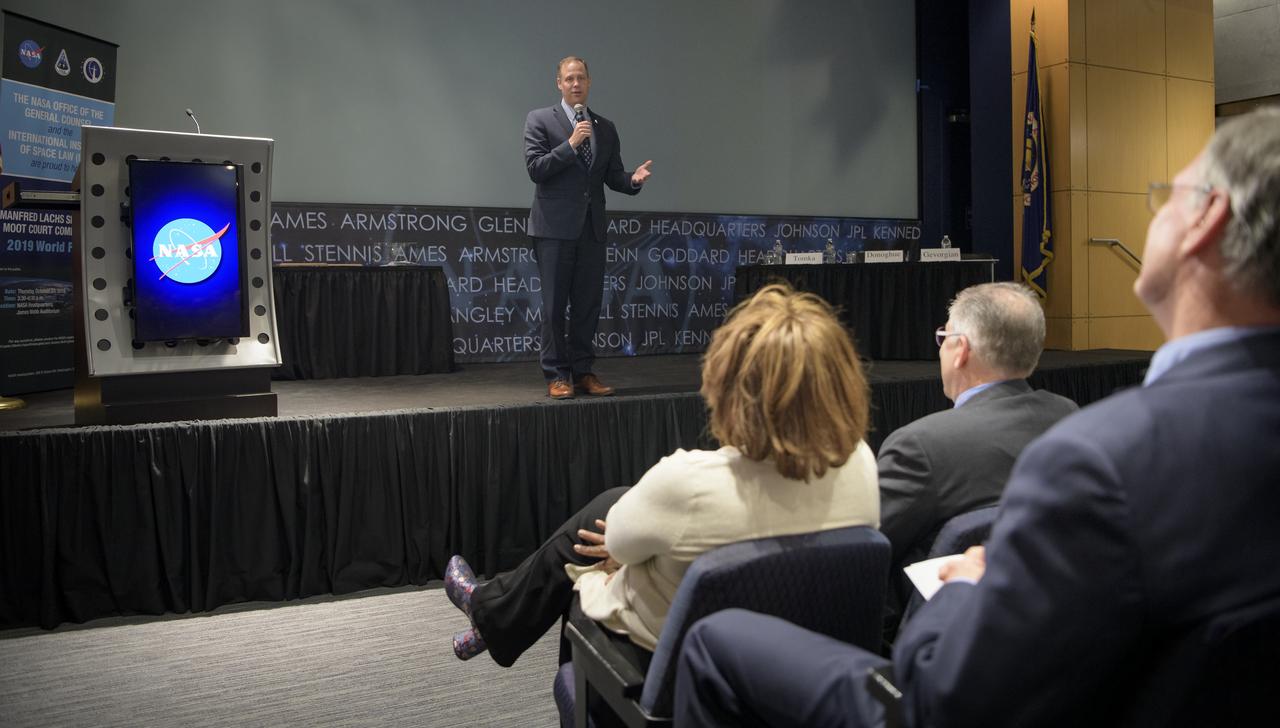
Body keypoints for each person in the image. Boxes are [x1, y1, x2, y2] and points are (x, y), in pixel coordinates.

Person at [673, 107, 1280, 727]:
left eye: (1166, 197)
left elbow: (945, 703)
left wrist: (962, 586)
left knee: (716, 638)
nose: (1154, 214)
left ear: (1206, 219)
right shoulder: (1096, 426)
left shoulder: (1098, 457)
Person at [441, 283, 879, 682]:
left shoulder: (688, 481)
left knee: (588, 563)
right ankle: (490, 615)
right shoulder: (862, 462)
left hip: (689, 676)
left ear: (727, 389)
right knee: (612, 505)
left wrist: (628, 560)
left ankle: (497, 619)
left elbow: (620, 548)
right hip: (808, 668)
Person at [878, 282, 1076, 632]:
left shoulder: (920, 446)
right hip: (1054, 622)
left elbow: (867, 553)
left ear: (961, 349)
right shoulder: (1067, 416)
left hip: (946, 637)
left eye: (943, 337)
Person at [525, 55, 653, 399]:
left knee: (587, 305)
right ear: (559, 84)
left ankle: (582, 372)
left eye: (581, 77)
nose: (575, 83)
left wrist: (633, 180)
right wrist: (570, 145)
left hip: (591, 230)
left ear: (589, 82)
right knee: (554, 306)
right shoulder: (539, 120)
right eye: (569, 78)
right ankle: (557, 375)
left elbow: (613, 176)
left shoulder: (605, 127)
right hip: (553, 230)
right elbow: (536, 169)